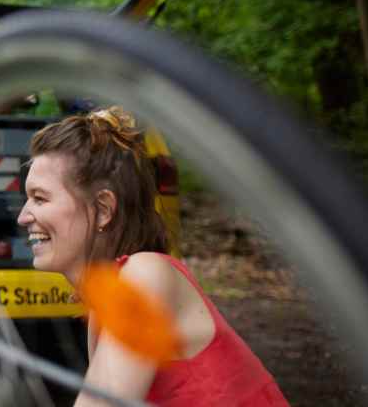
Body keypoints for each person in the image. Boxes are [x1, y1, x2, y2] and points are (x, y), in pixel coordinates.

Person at [17, 107, 288, 406]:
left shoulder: (145, 274)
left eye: (39, 198)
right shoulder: (104, 305)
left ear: (104, 209)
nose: (23, 216)